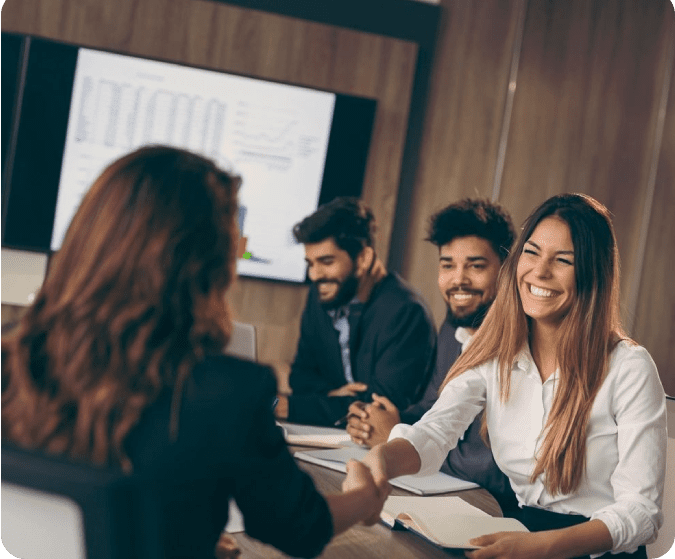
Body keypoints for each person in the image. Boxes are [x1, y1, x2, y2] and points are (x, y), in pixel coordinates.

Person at [1, 146, 389, 559]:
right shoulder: (225, 391)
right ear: (209, 262)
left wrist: (183, 537)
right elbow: (300, 528)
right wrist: (365, 497)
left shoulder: (13, 356)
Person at [360, 193, 667, 559]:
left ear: (592, 273)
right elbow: (435, 433)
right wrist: (378, 462)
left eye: (563, 260)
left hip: (593, 549)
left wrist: (542, 547)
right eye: (532, 252)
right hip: (519, 531)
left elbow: (642, 513)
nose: (539, 271)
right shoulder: (496, 351)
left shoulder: (629, 368)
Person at [347, 198, 519, 514]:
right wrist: (383, 420)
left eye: (476, 266)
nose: (458, 280)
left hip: (498, 511)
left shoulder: (522, 341)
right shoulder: (455, 325)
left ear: (507, 269)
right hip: (448, 498)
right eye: (447, 264)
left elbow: (493, 467)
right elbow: (435, 406)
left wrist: (396, 436)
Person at [274, 196, 436, 427]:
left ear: (363, 258)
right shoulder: (321, 294)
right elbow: (301, 376)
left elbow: (382, 405)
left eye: (326, 261)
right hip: (329, 434)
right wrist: (333, 394)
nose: (315, 275)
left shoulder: (407, 312)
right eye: (310, 263)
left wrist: (291, 407)